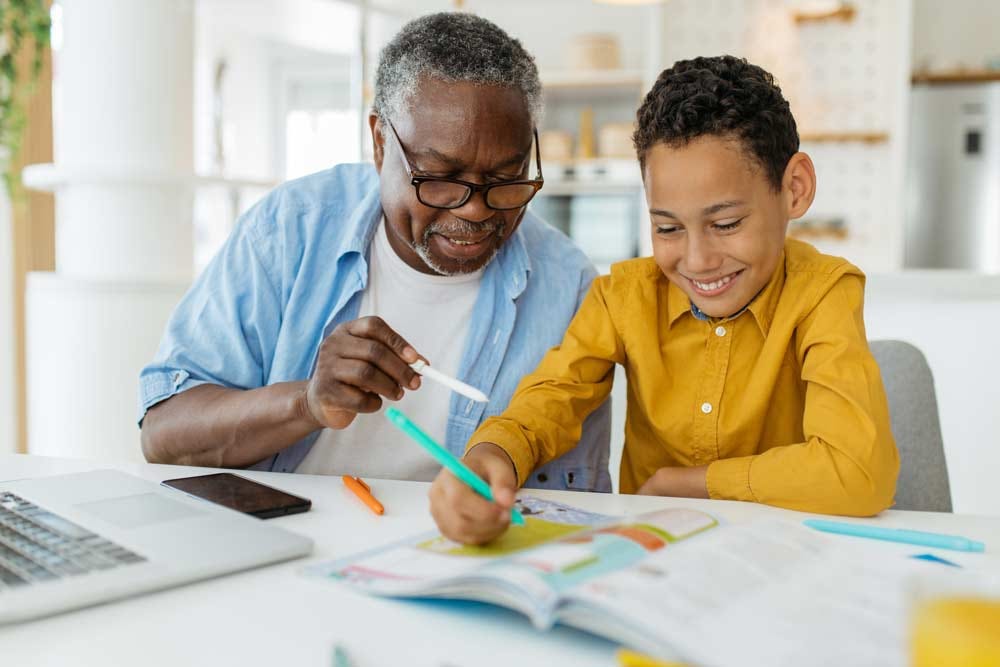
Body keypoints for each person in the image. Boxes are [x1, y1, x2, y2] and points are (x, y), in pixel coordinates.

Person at [429, 55, 900, 544]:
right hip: (650, 556)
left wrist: (696, 484)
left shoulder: (823, 291)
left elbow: (858, 473)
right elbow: (551, 399)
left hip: (779, 553)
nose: (696, 260)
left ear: (794, 189)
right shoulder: (623, 296)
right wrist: (493, 453)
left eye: (726, 224)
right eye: (667, 228)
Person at [137, 12, 611, 492]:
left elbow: (576, 502)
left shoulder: (567, 286)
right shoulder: (290, 230)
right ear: (380, 143)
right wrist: (306, 402)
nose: (474, 211)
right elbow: (163, 435)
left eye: (506, 179)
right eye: (441, 179)